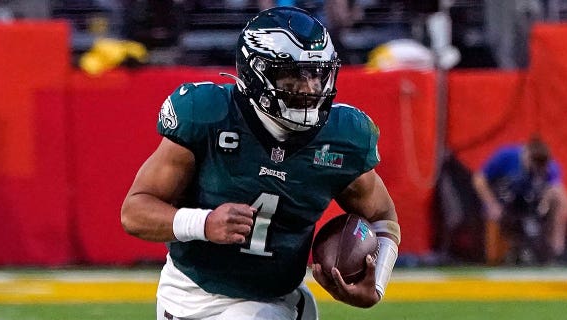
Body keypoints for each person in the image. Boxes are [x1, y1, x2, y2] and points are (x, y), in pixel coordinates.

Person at [120, 7, 401, 320]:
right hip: (191, 297)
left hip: (276, 302)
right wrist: (204, 223)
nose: (309, 87)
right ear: (257, 72)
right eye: (293, 75)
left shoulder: (343, 136)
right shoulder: (209, 115)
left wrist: (376, 281)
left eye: (316, 73)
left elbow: (381, 215)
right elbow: (135, 212)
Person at [472, 135, 567, 265]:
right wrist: (491, 204)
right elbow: (479, 179)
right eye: (533, 164)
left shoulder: (550, 167)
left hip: (530, 204)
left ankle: (554, 252)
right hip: (503, 203)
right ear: (525, 154)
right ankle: (510, 251)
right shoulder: (506, 157)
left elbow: (558, 190)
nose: (536, 169)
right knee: (495, 259)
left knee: (556, 199)